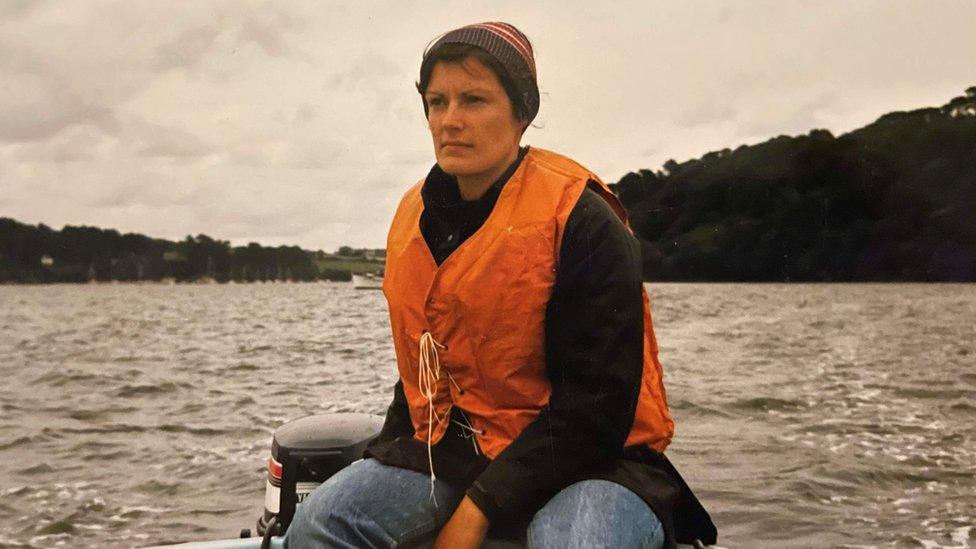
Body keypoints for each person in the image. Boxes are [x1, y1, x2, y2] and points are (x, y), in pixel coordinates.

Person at [286, 22, 716, 549]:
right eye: (437, 102)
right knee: (318, 526)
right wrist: (394, 454)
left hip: (597, 460)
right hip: (452, 450)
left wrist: (479, 510)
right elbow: (423, 371)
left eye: (474, 100)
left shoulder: (583, 220)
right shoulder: (413, 215)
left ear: (522, 113)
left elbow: (595, 411)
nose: (451, 121)